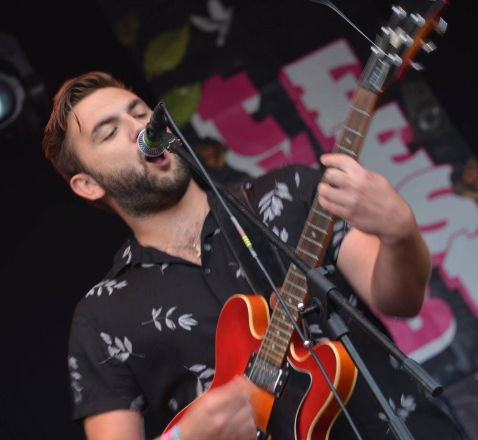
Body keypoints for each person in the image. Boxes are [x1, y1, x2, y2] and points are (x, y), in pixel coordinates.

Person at [42, 71, 462, 440]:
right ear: (88, 185)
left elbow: (400, 300)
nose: (139, 127)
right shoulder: (102, 316)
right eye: (109, 132)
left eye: (139, 112)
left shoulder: (289, 191)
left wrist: (401, 232)